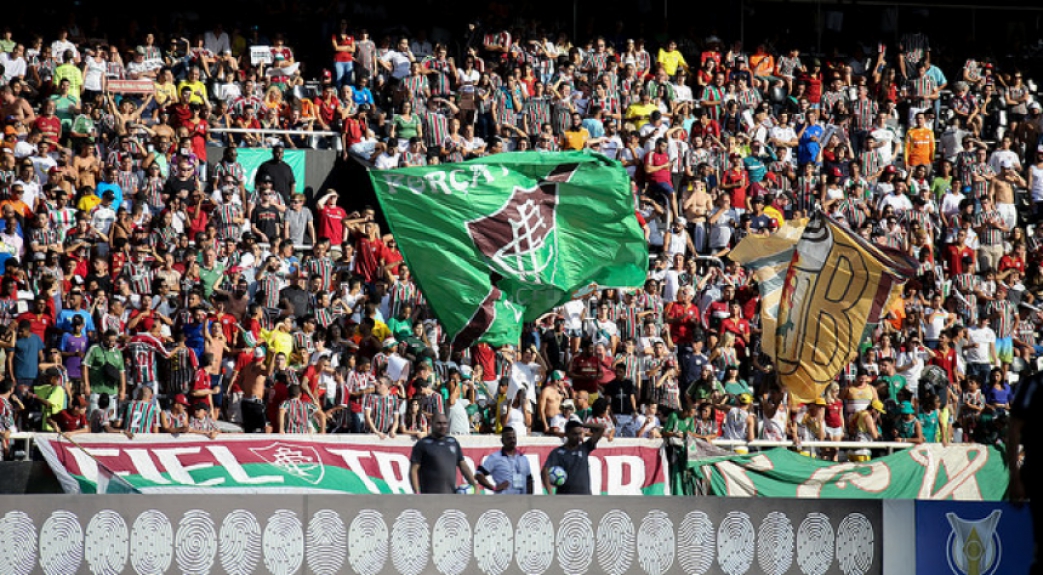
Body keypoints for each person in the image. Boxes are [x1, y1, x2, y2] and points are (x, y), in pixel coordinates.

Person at [409, 413, 479, 494]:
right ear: (432, 423)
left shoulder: (453, 442)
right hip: (429, 495)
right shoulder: (422, 444)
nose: (442, 426)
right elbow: (413, 470)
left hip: (450, 495)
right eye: (439, 423)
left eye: (445, 423)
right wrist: (416, 492)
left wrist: (474, 485)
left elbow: (463, 466)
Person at [541, 419, 605, 495]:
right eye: (575, 434)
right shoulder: (558, 452)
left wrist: (582, 425)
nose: (578, 437)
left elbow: (601, 428)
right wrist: (550, 493)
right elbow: (544, 471)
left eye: (580, 433)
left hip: (585, 496)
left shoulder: (584, 447)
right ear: (567, 434)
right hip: (565, 496)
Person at [475, 426, 533, 494]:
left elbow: (529, 480)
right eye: (509, 438)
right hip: (503, 501)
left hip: (522, 501)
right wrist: (493, 488)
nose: (512, 440)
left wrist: (529, 499)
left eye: (514, 438)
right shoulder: (495, 458)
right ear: (502, 441)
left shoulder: (523, 458)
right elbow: (478, 475)